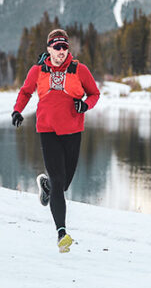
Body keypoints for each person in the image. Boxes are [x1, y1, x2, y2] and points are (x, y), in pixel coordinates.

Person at [11, 29, 100, 253]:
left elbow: (94, 93)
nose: (61, 51)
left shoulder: (79, 70)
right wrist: (17, 110)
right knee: (60, 181)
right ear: (49, 48)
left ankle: (46, 185)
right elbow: (25, 92)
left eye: (64, 47)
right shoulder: (38, 70)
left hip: (72, 131)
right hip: (47, 130)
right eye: (57, 47)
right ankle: (62, 233)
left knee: (64, 182)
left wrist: (85, 105)